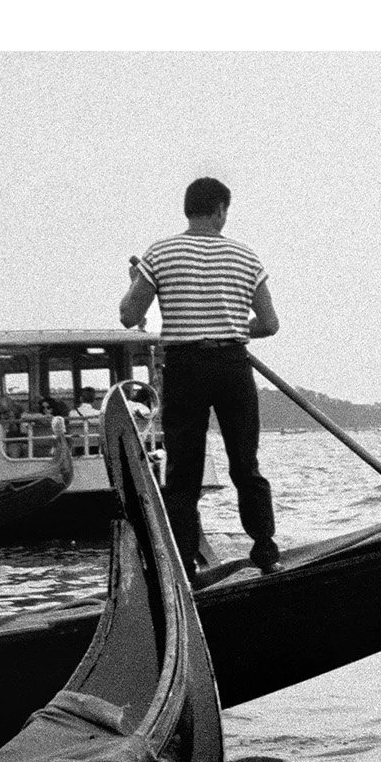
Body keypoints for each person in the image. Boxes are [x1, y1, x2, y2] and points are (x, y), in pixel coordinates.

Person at [117, 176, 281, 578]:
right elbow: (270, 324)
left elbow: (129, 316)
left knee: (183, 473)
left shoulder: (160, 253)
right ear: (220, 210)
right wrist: (232, 325)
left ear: (188, 209)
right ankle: (265, 551)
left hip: (185, 369)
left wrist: (134, 279)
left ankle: (184, 565)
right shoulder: (246, 257)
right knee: (245, 464)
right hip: (232, 367)